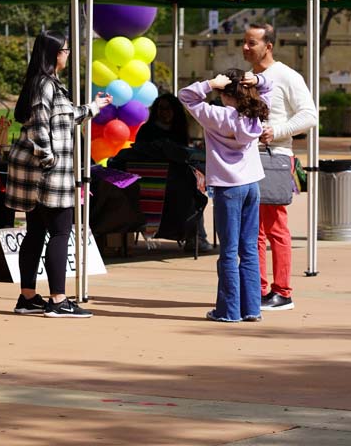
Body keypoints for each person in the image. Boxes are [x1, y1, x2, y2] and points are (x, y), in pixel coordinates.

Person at [6, 31, 108, 318]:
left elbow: (63, 118)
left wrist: (94, 107)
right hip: (49, 173)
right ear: (53, 53)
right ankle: (58, 299)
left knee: (37, 231)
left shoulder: (48, 85)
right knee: (61, 231)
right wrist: (47, 157)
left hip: (45, 173)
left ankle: (28, 297)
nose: (68, 54)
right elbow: (41, 125)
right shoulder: (44, 85)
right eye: (65, 49)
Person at [179, 68, 273, 323]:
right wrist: (258, 80)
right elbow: (270, 87)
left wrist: (209, 83)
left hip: (227, 187)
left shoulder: (216, 115)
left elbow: (185, 96)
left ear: (224, 92)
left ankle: (229, 310)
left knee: (229, 251)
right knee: (250, 248)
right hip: (252, 183)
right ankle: (252, 308)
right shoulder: (255, 114)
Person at [243, 23, 317, 312]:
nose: (246, 47)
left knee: (275, 227)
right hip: (249, 158)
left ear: (268, 46)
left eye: (252, 43)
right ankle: (259, 289)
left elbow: (309, 116)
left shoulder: (286, 76)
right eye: (245, 42)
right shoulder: (250, 77)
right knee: (254, 229)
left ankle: (283, 291)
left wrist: (278, 130)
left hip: (276, 157)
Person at [136, 92, 214, 253]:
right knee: (192, 193)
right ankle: (196, 237)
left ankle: (196, 237)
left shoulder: (178, 129)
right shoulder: (147, 130)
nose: (163, 112)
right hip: (152, 181)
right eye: (160, 108)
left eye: (167, 109)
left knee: (195, 194)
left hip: (177, 178)